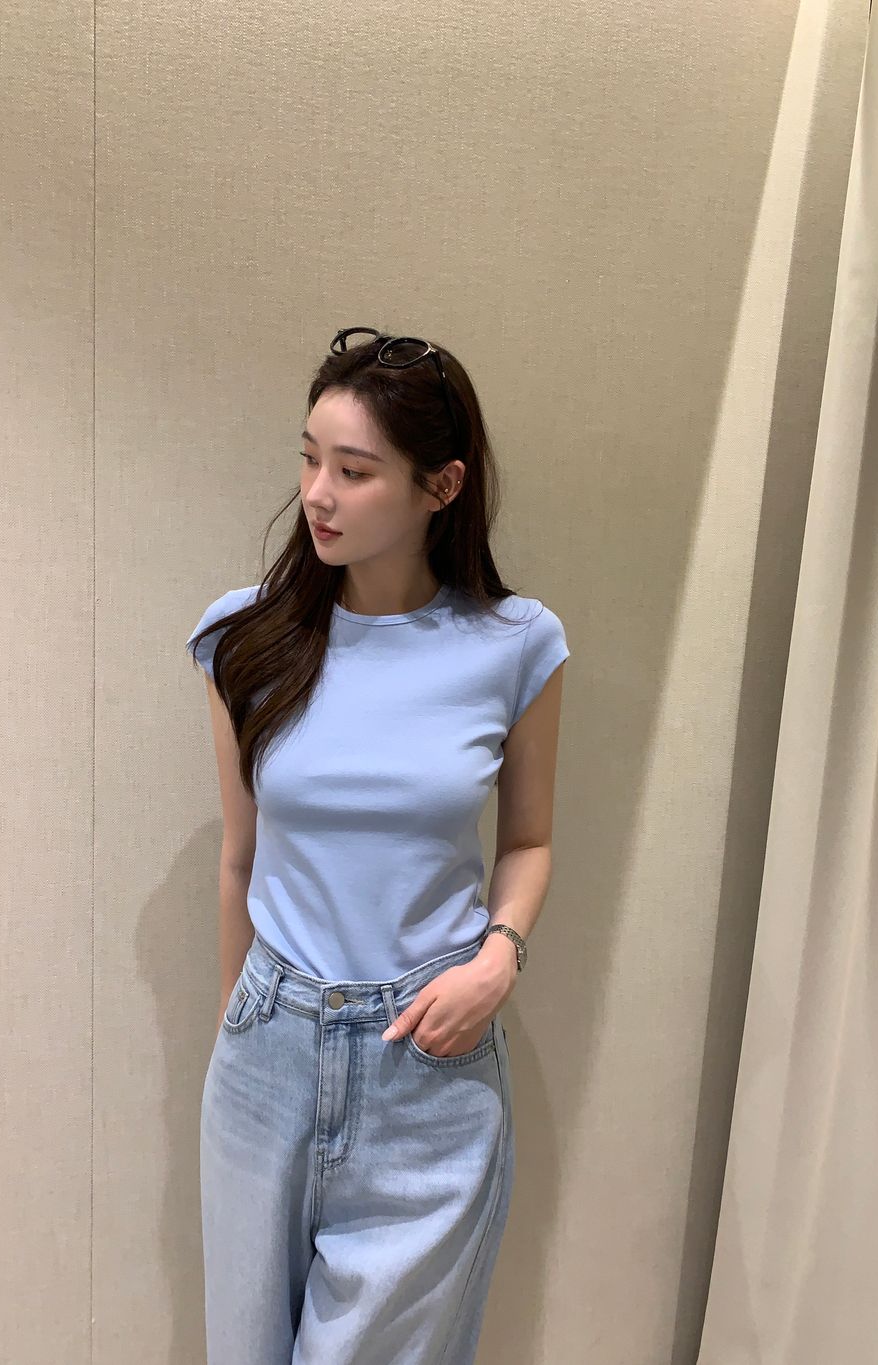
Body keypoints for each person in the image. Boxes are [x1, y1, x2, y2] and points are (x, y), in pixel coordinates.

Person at [185, 326, 569, 1364]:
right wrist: (238, 1037)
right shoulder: (245, 639)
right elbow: (239, 857)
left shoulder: (516, 644)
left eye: (354, 472)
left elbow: (529, 840)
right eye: (310, 458)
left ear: (441, 486)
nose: (317, 494)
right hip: (265, 1054)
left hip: (429, 1066)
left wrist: (499, 958)